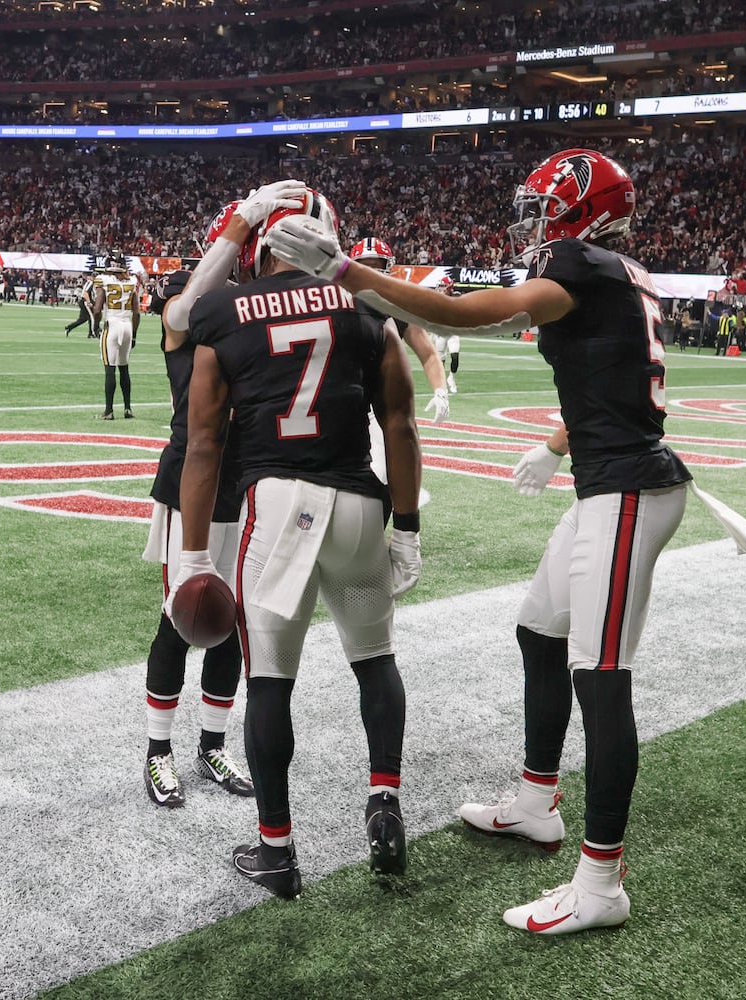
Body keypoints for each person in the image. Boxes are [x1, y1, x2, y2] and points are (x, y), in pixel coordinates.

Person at [267, 147, 693, 933]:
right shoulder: (617, 271)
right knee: (539, 632)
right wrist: (561, 444)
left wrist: (352, 274)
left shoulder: (580, 264)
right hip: (612, 479)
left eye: (545, 206)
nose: (533, 222)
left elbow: (471, 313)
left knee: (601, 677)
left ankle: (601, 885)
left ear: (582, 209)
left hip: (629, 491)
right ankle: (537, 802)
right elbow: (617, 385)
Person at [179, 187, 422, 900]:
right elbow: (402, 425)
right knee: (375, 660)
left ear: (259, 249)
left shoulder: (222, 312)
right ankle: (384, 797)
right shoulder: (368, 305)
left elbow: (202, 443)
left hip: (279, 506)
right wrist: (405, 527)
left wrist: (194, 558)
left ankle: (277, 851)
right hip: (355, 505)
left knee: (271, 682)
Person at [138, 185, 304, 810]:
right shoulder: (194, 304)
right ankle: (158, 751)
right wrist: (241, 223)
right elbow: (182, 316)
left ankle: (211, 744)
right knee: (182, 619)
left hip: (250, 485)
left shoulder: (263, 308)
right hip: (190, 485)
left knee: (234, 625)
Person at [351, 237, 449, 423]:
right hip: (342, 397)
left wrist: (441, 391)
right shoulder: (338, 301)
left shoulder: (398, 306)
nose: (372, 272)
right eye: (366, 266)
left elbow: (428, 353)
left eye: (377, 265)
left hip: (381, 400)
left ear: (389, 267)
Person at [93, 257, 140, 419]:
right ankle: (128, 408)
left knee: (110, 368)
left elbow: (98, 308)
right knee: (124, 368)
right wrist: (134, 335)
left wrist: (95, 326)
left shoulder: (103, 280)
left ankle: (109, 411)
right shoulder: (132, 281)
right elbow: (137, 312)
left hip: (112, 324)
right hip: (127, 325)